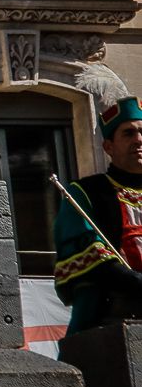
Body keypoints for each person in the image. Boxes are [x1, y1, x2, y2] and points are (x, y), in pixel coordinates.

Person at [53, 97, 142, 336]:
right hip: (114, 315)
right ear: (108, 147)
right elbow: (85, 249)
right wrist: (134, 281)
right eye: (128, 134)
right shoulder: (86, 192)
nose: (139, 140)